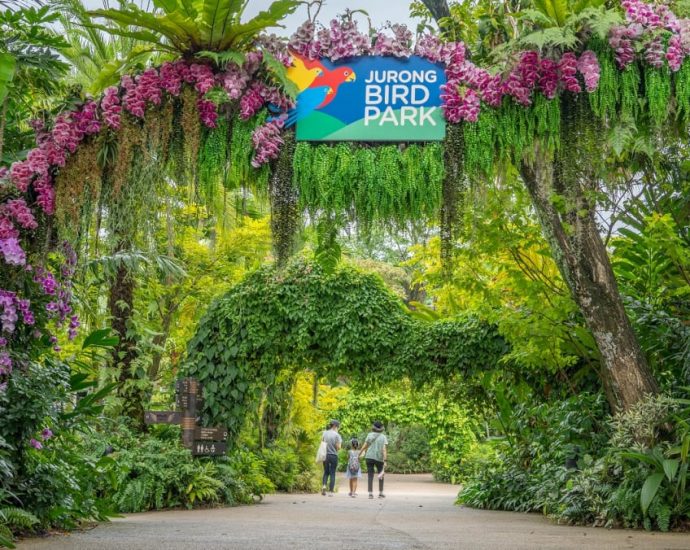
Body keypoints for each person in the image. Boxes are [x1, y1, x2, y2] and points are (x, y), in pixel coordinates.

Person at [359, 420, 388, 499]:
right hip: (379, 458)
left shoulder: (370, 435)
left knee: (370, 475)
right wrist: (385, 460)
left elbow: (365, 445)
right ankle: (381, 493)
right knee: (381, 475)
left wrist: (359, 453)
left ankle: (370, 494)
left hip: (369, 457)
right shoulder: (383, 437)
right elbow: (384, 450)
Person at [321, 419, 342, 496]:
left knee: (326, 472)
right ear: (335, 426)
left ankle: (324, 487)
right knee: (332, 473)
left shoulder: (324, 433)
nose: (338, 428)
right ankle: (331, 491)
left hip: (325, 455)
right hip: (333, 455)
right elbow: (338, 447)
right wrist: (336, 446)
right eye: (338, 427)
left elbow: (322, 443)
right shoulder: (337, 435)